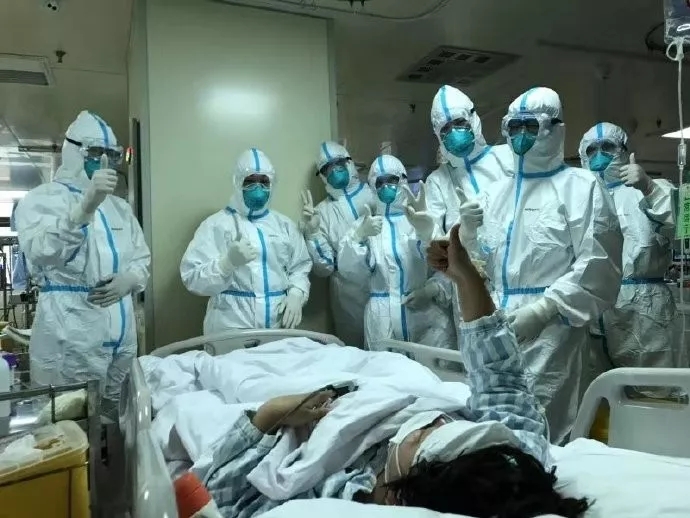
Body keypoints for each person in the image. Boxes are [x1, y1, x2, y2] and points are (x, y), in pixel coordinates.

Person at [198, 224, 591, 518]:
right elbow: (498, 373)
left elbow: (225, 499)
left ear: (398, 494)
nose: (431, 422)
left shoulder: (344, 493)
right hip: (383, 383)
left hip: (307, 407)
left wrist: (271, 412)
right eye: (442, 425)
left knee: (232, 374)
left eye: (423, 436)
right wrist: (465, 276)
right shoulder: (515, 461)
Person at [466, 87, 623, 444]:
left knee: (543, 428)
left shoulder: (581, 187)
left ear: (553, 128)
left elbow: (599, 264)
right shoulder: (496, 192)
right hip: (496, 326)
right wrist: (468, 236)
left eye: (530, 126)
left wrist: (544, 309)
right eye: (514, 127)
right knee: (493, 427)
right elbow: (482, 263)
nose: (520, 135)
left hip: (553, 331)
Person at [14, 110, 150, 404]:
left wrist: (131, 279)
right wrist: (84, 209)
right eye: (95, 153)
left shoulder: (120, 208)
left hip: (122, 337)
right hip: (70, 336)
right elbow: (42, 252)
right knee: (69, 416)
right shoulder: (43, 199)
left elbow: (141, 258)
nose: (104, 161)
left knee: (119, 417)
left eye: (111, 154)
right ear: (74, 152)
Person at [579, 122, 686, 386]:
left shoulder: (652, 188)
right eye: (591, 150)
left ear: (624, 151)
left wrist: (649, 187)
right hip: (593, 314)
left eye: (607, 147)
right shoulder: (581, 199)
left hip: (645, 313)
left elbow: (683, 227)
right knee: (599, 395)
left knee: (655, 391)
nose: (599, 155)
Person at [180, 148, 312, 334]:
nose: (258, 188)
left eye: (264, 181)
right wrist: (226, 263)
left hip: (278, 324)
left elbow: (300, 267)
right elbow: (192, 278)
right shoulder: (215, 225)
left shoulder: (284, 226)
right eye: (250, 181)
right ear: (238, 182)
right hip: (229, 327)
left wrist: (297, 293)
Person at [337, 155, 454, 349]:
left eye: (392, 180)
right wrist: (359, 237)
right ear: (372, 186)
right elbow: (349, 272)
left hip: (424, 314)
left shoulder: (420, 220)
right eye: (379, 182)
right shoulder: (365, 224)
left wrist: (431, 290)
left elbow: (446, 263)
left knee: (431, 365)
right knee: (385, 368)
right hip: (381, 319)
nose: (385, 186)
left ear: (403, 180)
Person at [423, 85, 513, 329]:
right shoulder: (438, 181)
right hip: (467, 287)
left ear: (473, 119)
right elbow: (436, 247)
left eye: (460, 123)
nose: (454, 132)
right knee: (477, 348)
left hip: (516, 282)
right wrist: (428, 234)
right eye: (445, 129)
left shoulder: (507, 158)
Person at [300, 142, 374, 346]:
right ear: (322, 176)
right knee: (356, 352)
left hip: (386, 284)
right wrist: (313, 232)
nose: (334, 170)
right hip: (349, 297)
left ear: (350, 163)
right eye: (327, 168)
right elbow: (325, 268)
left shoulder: (374, 193)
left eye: (339, 163)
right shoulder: (321, 213)